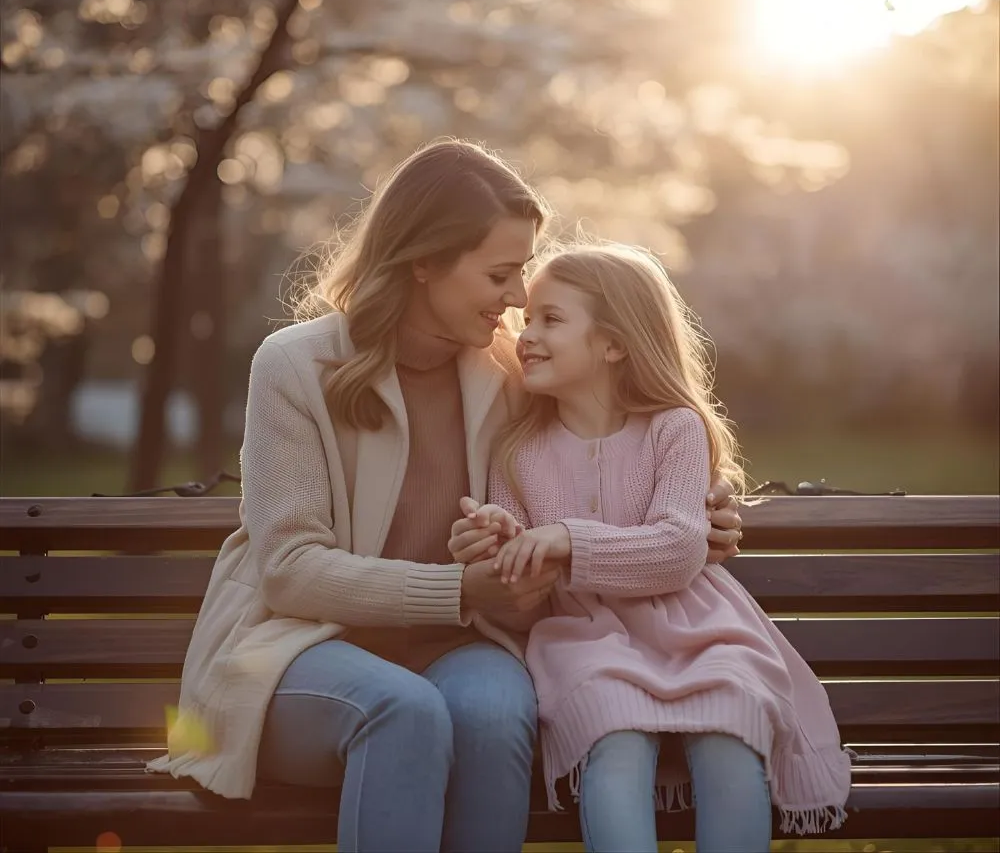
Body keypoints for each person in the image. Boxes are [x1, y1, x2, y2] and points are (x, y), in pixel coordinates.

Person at [147, 140, 744, 853]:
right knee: (404, 711)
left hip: (461, 647)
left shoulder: (509, 371)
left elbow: (619, 432)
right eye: (500, 273)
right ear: (423, 262)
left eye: (521, 271)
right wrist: (460, 589)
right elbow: (290, 569)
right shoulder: (297, 366)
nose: (521, 297)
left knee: (493, 712)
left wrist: (706, 499)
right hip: (294, 651)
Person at [449, 242, 851, 853]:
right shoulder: (518, 450)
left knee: (729, 735)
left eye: (551, 319)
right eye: (528, 318)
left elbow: (679, 548)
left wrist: (565, 538)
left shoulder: (675, 428)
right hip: (586, 636)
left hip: (698, 629)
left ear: (614, 343)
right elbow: (520, 585)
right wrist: (504, 544)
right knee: (614, 736)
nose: (526, 334)